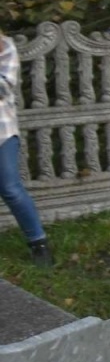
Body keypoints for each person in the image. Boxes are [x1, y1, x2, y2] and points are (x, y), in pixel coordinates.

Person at [1, 30, 52, 269]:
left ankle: (38, 243)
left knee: (10, 188)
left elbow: (4, 87)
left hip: (2, 132)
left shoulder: (5, 47)